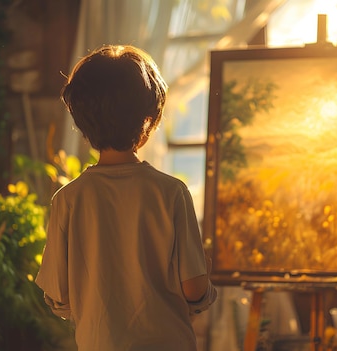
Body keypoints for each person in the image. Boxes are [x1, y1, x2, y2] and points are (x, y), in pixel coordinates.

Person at [35, 44, 217, 351]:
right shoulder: (172, 193)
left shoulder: (68, 200)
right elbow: (194, 288)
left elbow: (58, 296)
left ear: (81, 122)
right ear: (148, 120)